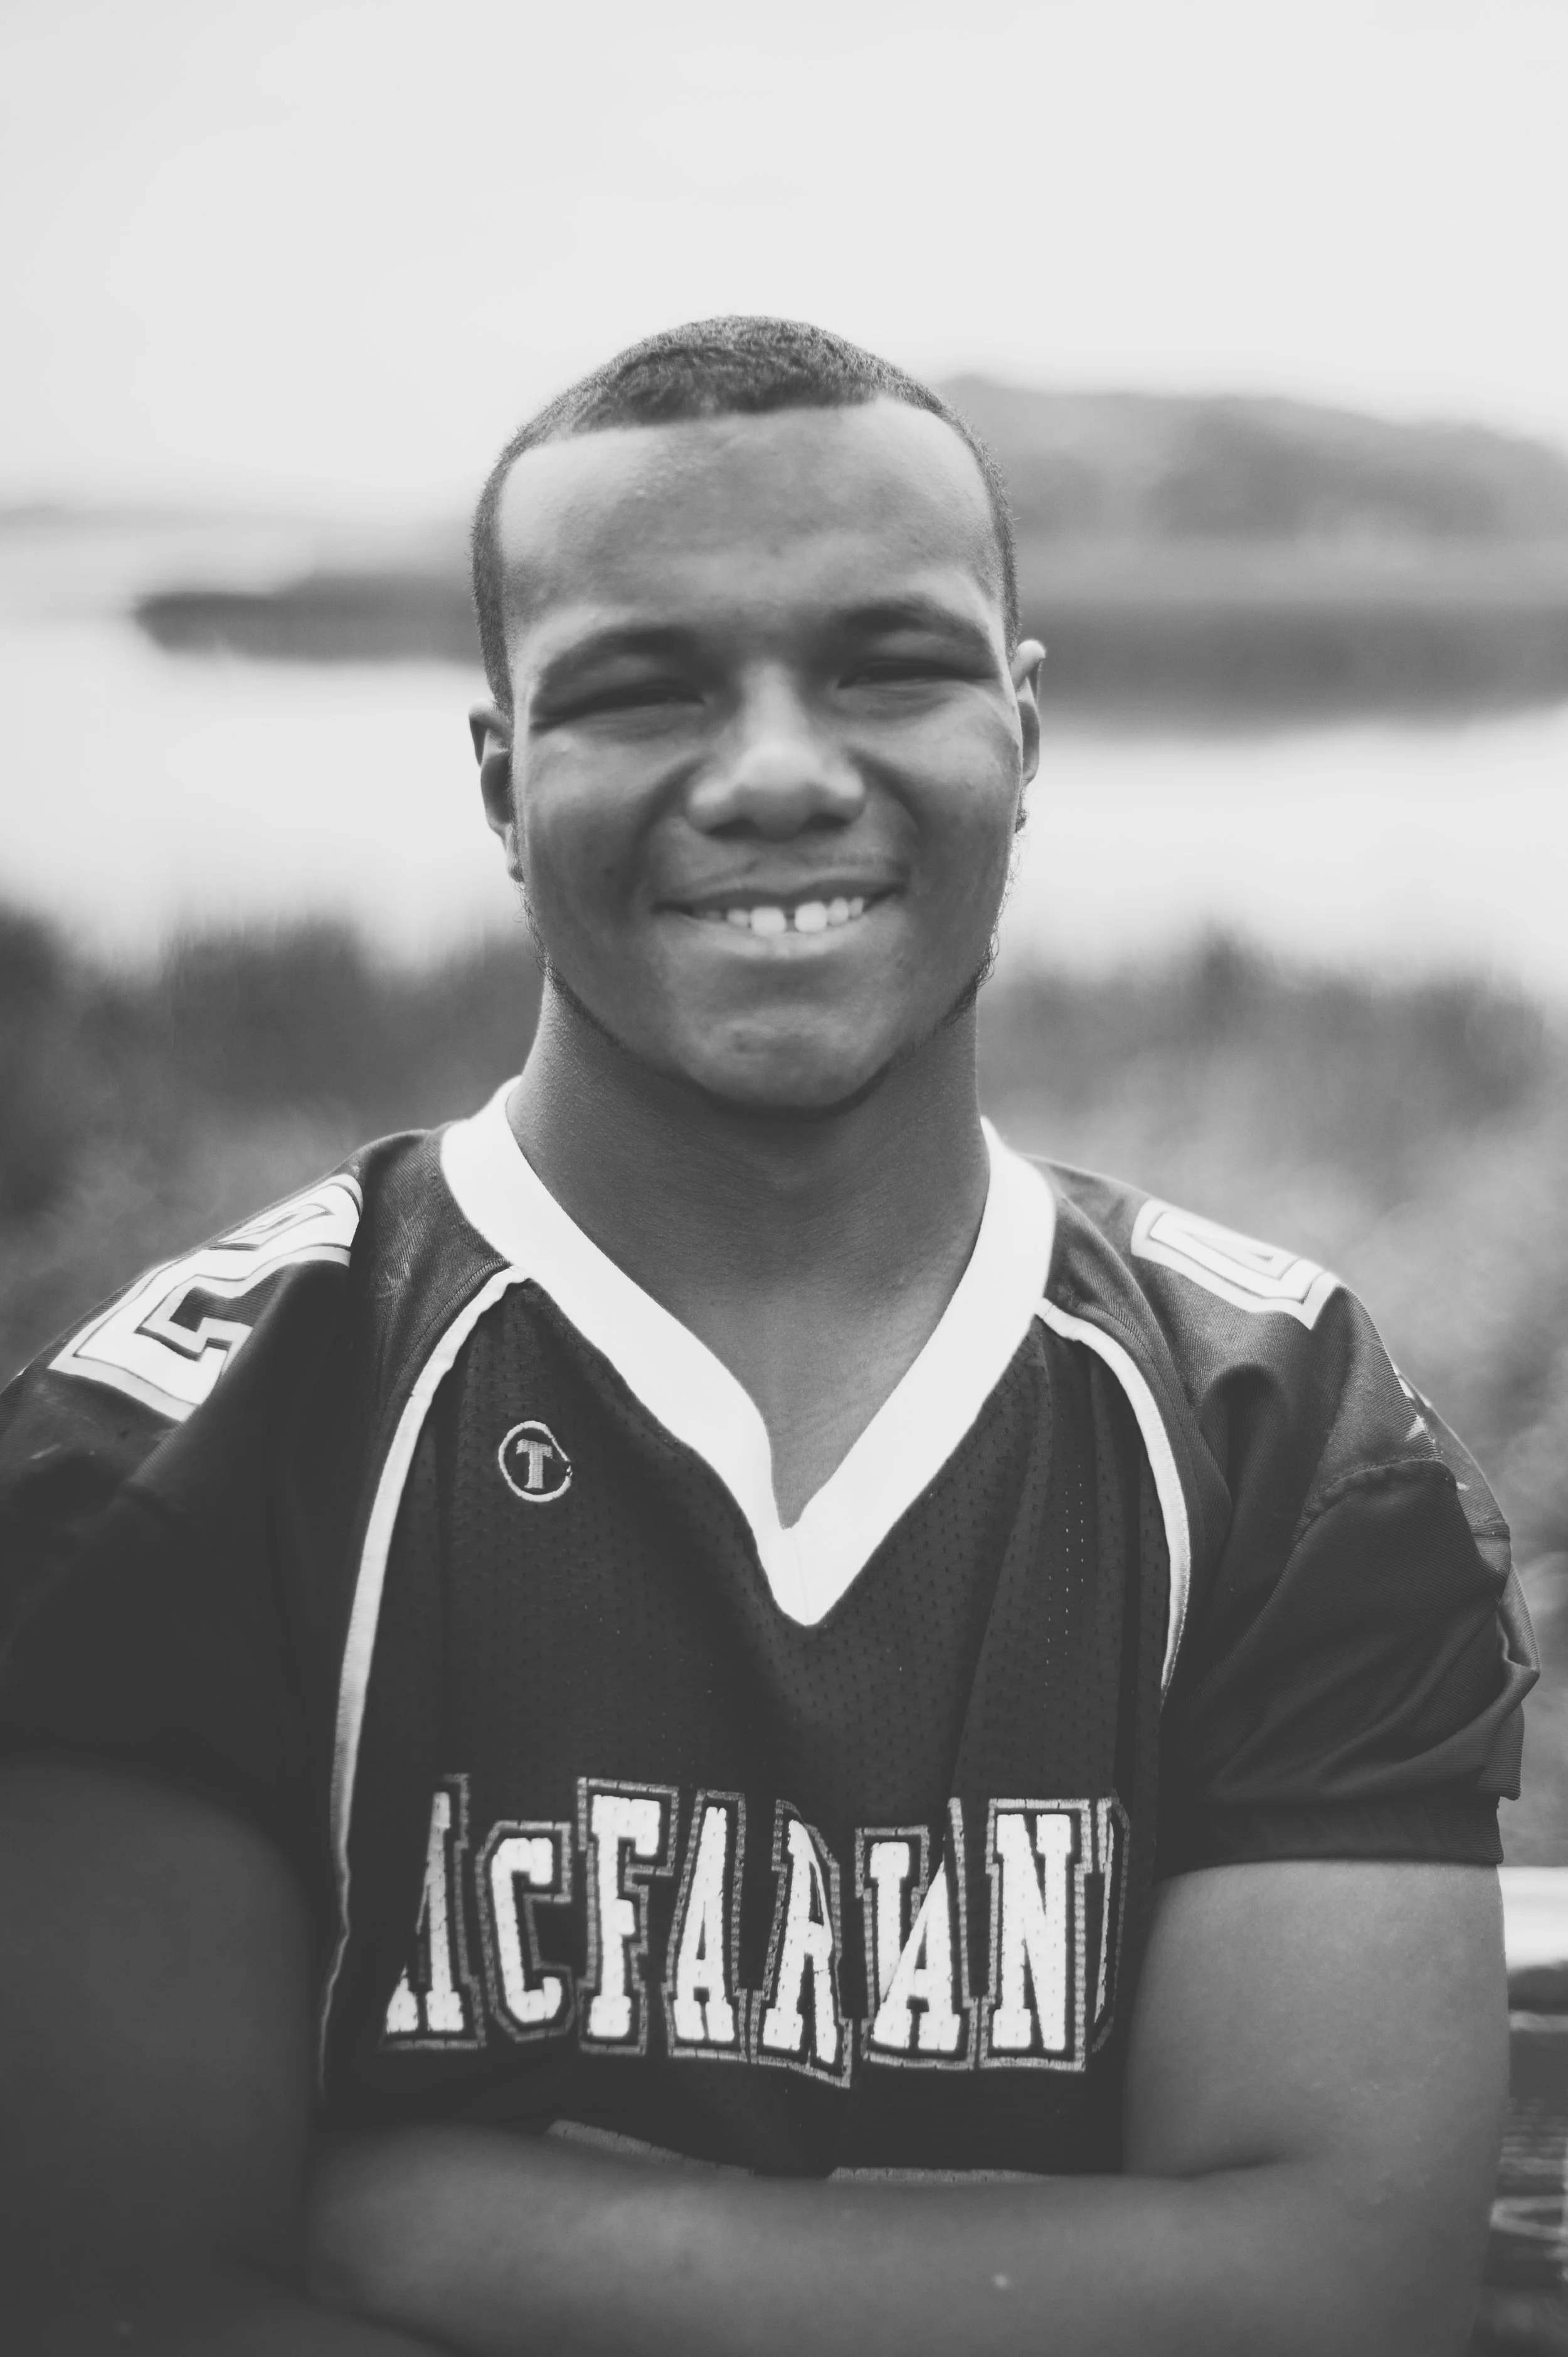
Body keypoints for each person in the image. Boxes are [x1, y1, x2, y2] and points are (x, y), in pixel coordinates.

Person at [0, 316, 1537, 2357]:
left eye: (885, 665)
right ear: (498, 777)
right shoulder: (187, 1440)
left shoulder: (1282, 1431)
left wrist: (500, 2235)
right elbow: (114, 2298)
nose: (780, 772)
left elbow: (1331, 2290)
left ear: (1023, 728)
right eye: (640, 687)